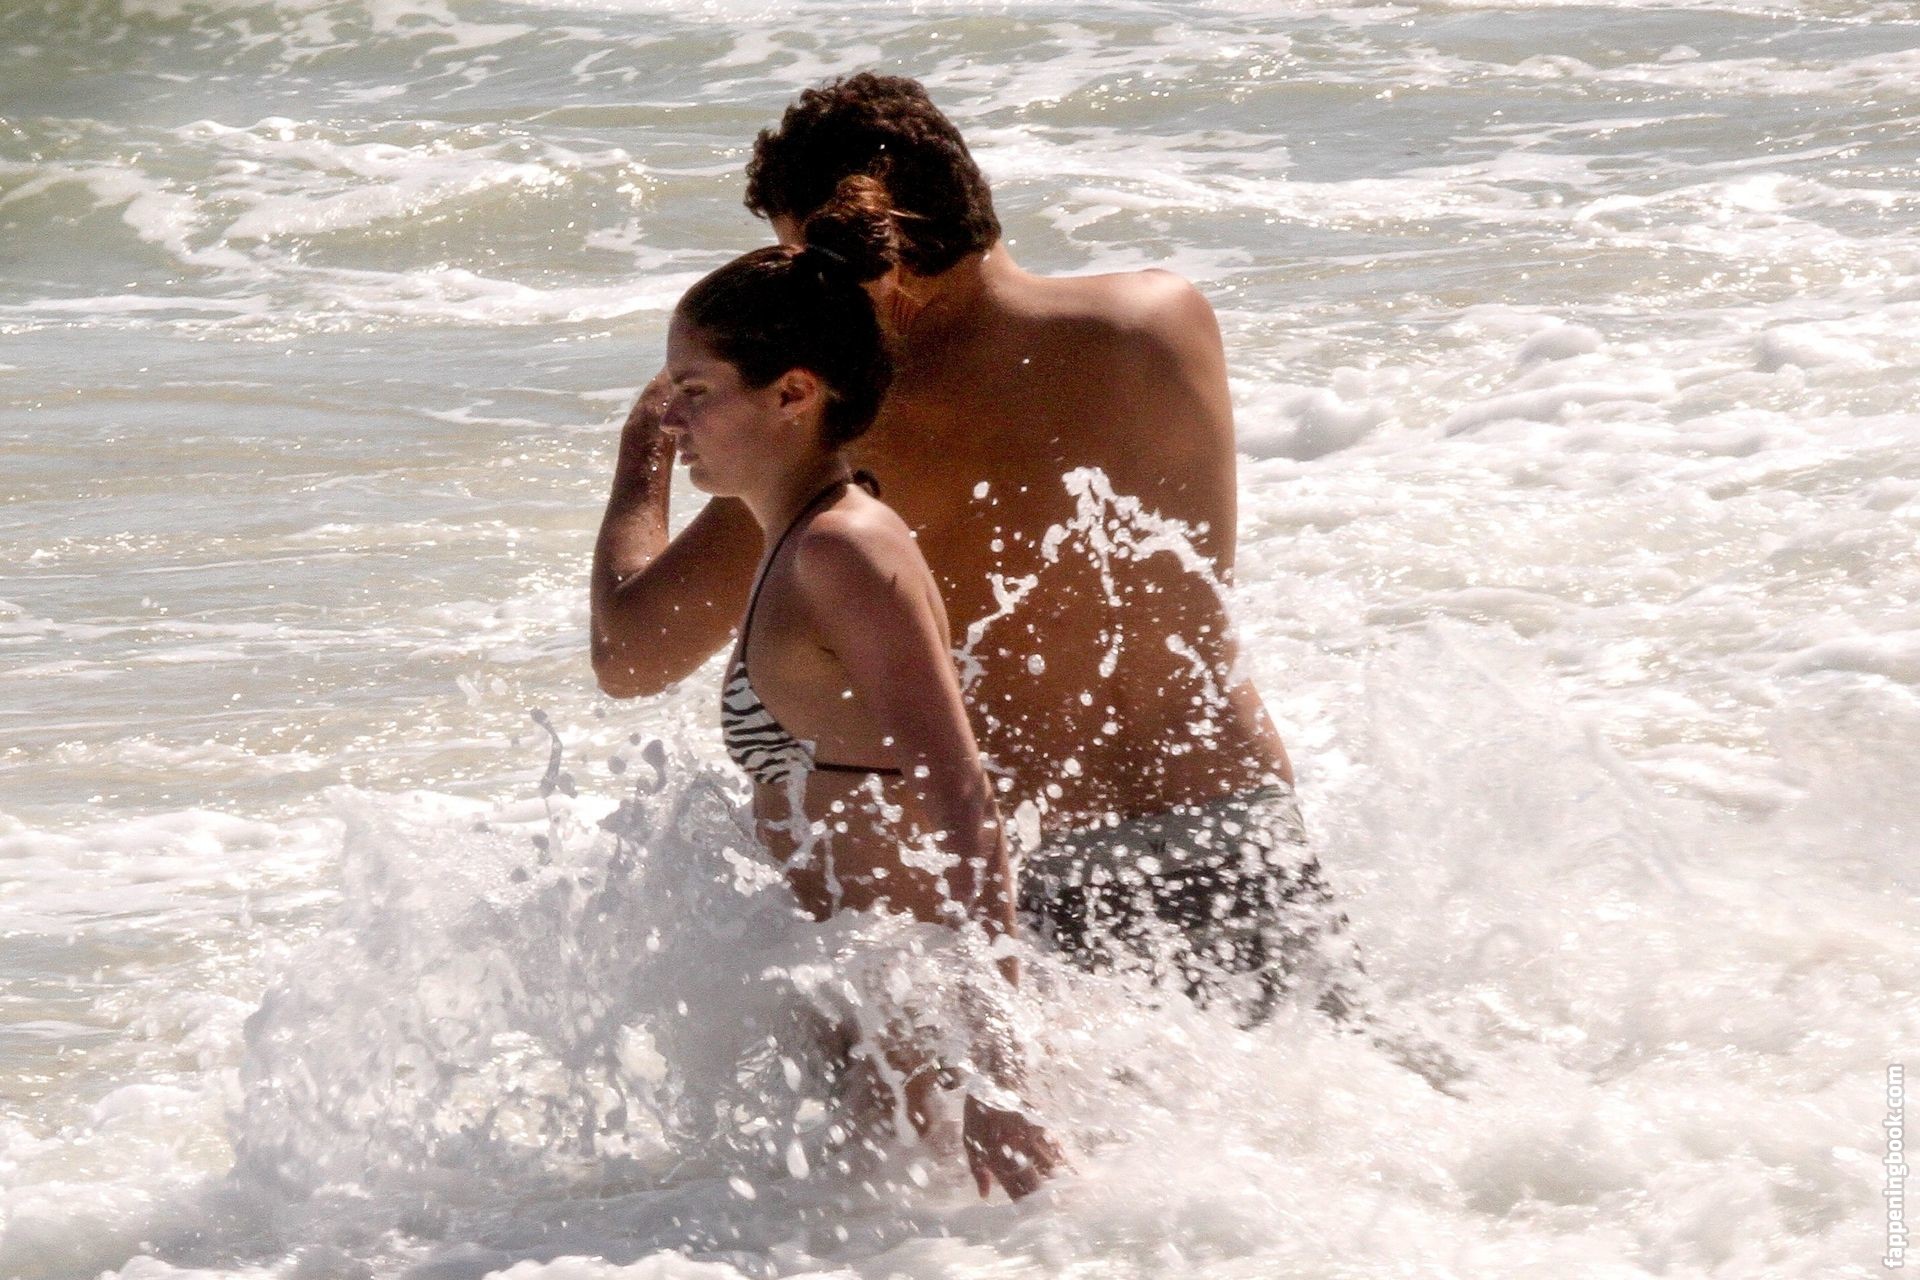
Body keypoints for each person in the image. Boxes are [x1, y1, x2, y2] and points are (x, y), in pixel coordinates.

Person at [594, 73, 1356, 1029]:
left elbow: (631, 654)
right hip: (1242, 827)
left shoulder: (846, 431)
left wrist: (646, 443)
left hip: (1047, 873)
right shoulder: (1161, 318)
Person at [654, 176, 1065, 1199]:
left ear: (793, 394)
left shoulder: (842, 551)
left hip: (917, 1026)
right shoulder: (796, 539)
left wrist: (1001, 1078)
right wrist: (636, 465)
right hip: (863, 1010)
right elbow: (625, 645)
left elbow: (963, 798)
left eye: (694, 391)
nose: (671, 417)